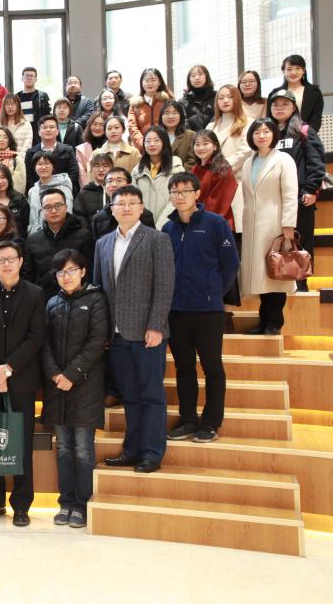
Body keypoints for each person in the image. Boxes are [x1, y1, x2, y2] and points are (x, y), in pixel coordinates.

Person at [95, 185, 175, 473]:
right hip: (116, 335)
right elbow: (99, 290)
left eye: (132, 203)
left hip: (147, 333)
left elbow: (165, 286)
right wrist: (102, 331)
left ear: (142, 208)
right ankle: (132, 450)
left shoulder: (157, 239)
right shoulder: (103, 243)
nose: (126, 208)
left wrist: (156, 325)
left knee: (151, 395)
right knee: (130, 396)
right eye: (121, 203)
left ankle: (152, 453)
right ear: (112, 209)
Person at [0, 240, 46, 526]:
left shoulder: (35, 294)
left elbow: (36, 337)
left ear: (21, 261)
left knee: (22, 445)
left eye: (11, 259)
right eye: (0, 259)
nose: (6, 264)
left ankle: (22, 505)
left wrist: (9, 368)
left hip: (22, 381)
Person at [163, 173, 241, 444]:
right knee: (184, 368)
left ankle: (210, 423)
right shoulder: (168, 229)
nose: (180, 196)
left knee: (212, 368)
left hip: (208, 311)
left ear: (197, 194)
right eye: (175, 192)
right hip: (176, 311)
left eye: (185, 190)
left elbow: (231, 264)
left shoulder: (215, 224)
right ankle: (188, 420)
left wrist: (214, 292)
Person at [41, 248, 109, 529]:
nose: (66, 276)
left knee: (83, 448)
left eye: (71, 270)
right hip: (57, 387)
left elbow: (97, 342)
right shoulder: (52, 303)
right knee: (63, 448)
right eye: (60, 272)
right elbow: (44, 344)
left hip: (85, 386)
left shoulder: (96, 300)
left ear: (83, 271)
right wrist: (55, 374)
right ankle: (65, 502)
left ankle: (81, 504)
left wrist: (71, 374)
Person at [240, 119, 298, 335]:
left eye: (266, 131)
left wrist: (288, 225)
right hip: (252, 225)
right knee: (261, 276)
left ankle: (274, 323)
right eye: (257, 132)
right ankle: (264, 320)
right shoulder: (248, 162)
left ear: (274, 134)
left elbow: (290, 194)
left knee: (277, 274)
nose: (262, 136)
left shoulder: (283, 159)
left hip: (275, 225)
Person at [268, 89, 326, 292]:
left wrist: (311, 190)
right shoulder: (266, 133)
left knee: (301, 243)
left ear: (294, 107)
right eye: (275, 104)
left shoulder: (304, 130)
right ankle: (278, 282)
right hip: (273, 199)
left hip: (300, 198)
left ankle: (301, 285)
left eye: (285, 104)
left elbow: (316, 164)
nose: (279, 108)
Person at [24, 188, 94, 297]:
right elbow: (29, 276)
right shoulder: (33, 240)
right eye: (48, 207)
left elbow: (90, 272)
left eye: (58, 205)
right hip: (44, 300)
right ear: (42, 211)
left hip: (79, 298)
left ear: (66, 207)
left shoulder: (84, 236)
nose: (53, 210)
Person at [132, 127, 185, 230]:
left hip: (171, 226)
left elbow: (177, 199)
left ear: (164, 142)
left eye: (156, 140)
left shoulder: (176, 168)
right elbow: (134, 200)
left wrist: (161, 226)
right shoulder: (137, 171)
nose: (152, 144)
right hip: (143, 228)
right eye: (148, 141)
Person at [89, 167, 157, 240]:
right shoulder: (98, 218)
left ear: (129, 184)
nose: (114, 184)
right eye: (110, 181)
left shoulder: (144, 215)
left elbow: (152, 242)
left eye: (119, 180)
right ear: (105, 186)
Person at [191, 129, 238, 229]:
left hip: (216, 224)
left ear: (215, 146)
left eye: (205, 144)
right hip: (198, 220)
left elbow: (218, 202)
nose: (201, 148)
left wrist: (201, 221)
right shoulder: (195, 168)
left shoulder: (223, 169)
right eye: (197, 144)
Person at [267, 54, 324, 132]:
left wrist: (305, 134)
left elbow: (316, 119)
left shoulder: (314, 92)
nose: (293, 72)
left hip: (306, 135)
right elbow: (270, 118)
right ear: (283, 71)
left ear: (303, 71)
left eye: (298, 68)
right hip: (281, 135)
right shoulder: (275, 93)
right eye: (289, 69)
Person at [128, 67, 174, 151]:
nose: (150, 83)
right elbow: (132, 127)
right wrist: (143, 144)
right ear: (142, 83)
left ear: (159, 82)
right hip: (143, 149)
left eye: (153, 80)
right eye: (146, 80)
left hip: (166, 146)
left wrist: (164, 143)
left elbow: (173, 123)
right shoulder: (135, 105)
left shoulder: (167, 101)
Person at [27, 153, 74, 234]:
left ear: (53, 167)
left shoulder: (63, 188)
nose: (43, 167)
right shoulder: (32, 191)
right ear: (34, 168)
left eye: (47, 163)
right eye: (39, 164)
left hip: (57, 235)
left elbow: (67, 214)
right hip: (35, 236)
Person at [0, 163, 30, 236]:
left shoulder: (20, 200)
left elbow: (26, 225)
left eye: (3, 177)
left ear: (9, 179)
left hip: (17, 241)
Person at [0, 126, 28, 196]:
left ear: (10, 140)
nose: (1, 140)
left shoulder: (17, 160)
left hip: (12, 199)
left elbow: (20, 186)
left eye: (5, 137)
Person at [73, 152, 113, 220]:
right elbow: (78, 218)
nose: (101, 169)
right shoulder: (84, 193)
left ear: (112, 169)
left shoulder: (118, 192)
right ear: (91, 170)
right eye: (97, 166)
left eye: (105, 166)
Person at [16, 66, 51, 144]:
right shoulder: (16, 97)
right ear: (22, 79)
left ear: (35, 79)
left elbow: (47, 115)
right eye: (26, 76)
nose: (29, 78)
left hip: (38, 133)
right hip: (21, 133)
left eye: (31, 76)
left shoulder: (42, 96)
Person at [159, 100, 197, 170]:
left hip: (182, 175)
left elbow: (192, 161)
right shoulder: (156, 135)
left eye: (175, 113)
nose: (170, 116)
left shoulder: (190, 135)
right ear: (161, 116)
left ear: (181, 116)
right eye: (167, 113)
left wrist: (178, 174)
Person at [74, 112, 107, 188]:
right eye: (94, 124)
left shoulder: (111, 147)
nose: (97, 128)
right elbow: (82, 175)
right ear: (89, 126)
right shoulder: (81, 149)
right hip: (90, 189)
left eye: (101, 125)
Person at [179, 64, 216, 131]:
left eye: (200, 74)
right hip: (192, 137)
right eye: (193, 75)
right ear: (189, 80)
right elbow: (184, 125)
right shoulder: (183, 102)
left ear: (206, 77)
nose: (197, 78)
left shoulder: (216, 97)